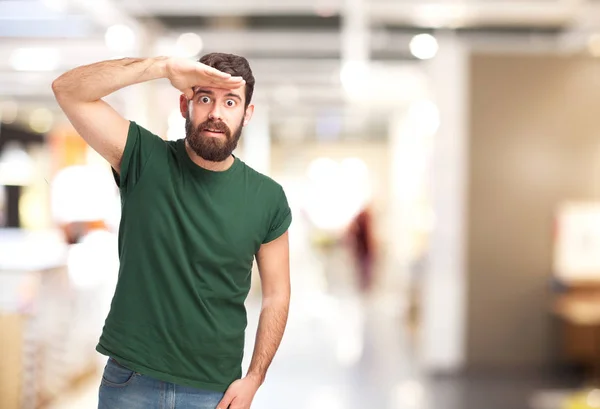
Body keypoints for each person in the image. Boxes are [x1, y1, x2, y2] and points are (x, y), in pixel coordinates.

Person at [52, 53, 292, 409]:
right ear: (185, 104)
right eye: (205, 98)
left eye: (230, 102)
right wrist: (162, 67)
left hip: (214, 390)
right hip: (130, 382)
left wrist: (255, 378)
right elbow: (68, 90)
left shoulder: (267, 197)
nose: (216, 113)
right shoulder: (142, 158)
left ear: (247, 114)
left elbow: (276, 295)